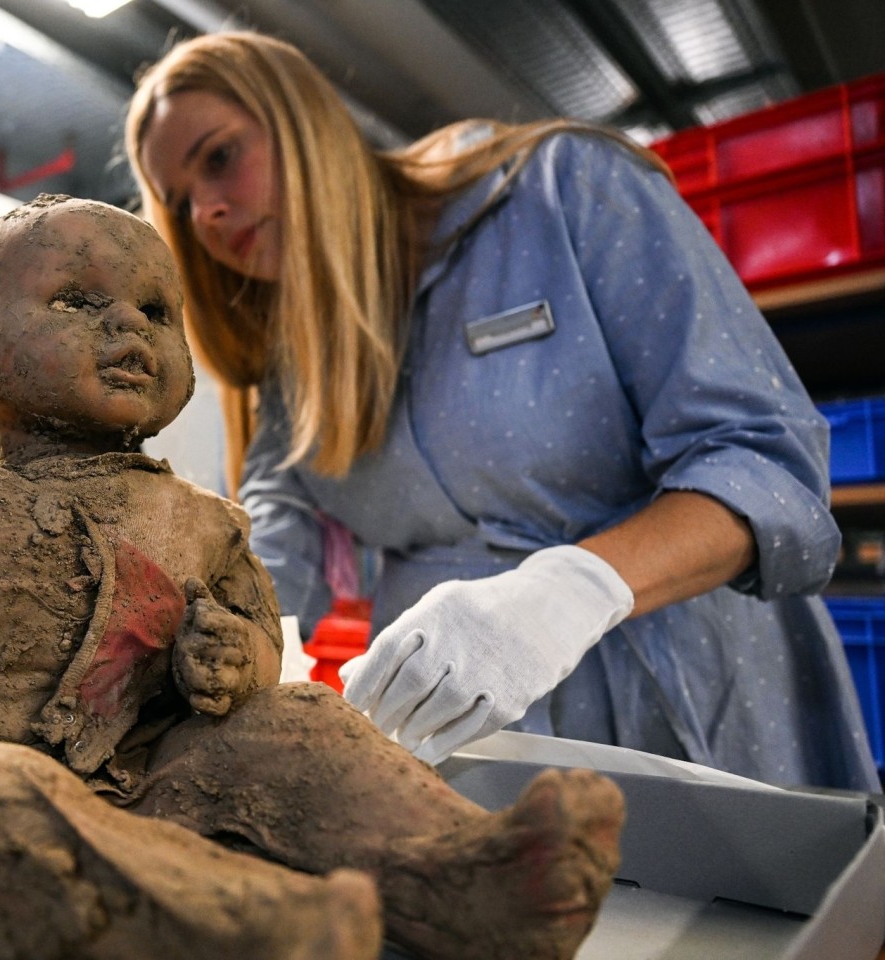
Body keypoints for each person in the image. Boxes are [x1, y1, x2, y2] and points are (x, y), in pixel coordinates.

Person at [0, 194, 627, 960]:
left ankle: (465, 876)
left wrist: (237, 660)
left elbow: (262, 651)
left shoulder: (205, 523)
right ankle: (247, 928)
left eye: (156, 312)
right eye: (78, 301)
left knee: (297, 719)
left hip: (159, 795)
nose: (128, 326)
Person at [125, 31, 880, 792]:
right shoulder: (299, 358)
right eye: (182, 204)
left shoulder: (561, 191)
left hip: (690, 696)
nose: (209, 212)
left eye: (219, 158)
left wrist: (570, 592)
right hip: (468, 741)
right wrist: (183, 642)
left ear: (303, 122)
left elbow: (768, 465)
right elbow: (275, 543)